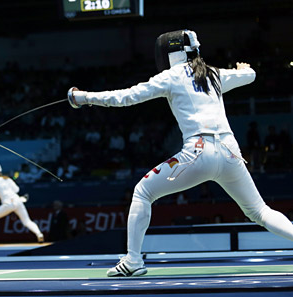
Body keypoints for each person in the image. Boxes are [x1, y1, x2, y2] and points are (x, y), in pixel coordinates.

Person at [68, 29, 293, 277]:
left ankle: (133, 260)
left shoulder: (170, 76)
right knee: (260, 211)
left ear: (171, 53)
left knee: (143, 191)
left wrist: (83, 97)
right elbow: (249, 75)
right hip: (231, 153)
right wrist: (244, 68)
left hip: (197, 154)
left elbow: (125, 97)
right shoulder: (214, 74)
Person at [0, 164, 44, 244]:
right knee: (27, 221)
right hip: (18, 201)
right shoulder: (7, 179)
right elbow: (17, 190)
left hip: (8, 204)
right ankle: (39, 234)